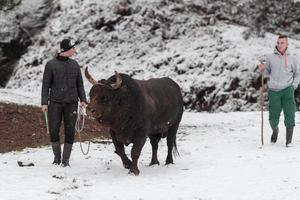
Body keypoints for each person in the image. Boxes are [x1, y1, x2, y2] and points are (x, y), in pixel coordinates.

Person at [41, 39, 87, 166]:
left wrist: (83, 99)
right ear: (66, 50)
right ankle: (57, 158)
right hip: (55, 103)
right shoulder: (50, 65)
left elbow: (80, 84)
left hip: (71, 103)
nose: (74, 50)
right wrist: (44, 102)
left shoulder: (75, 65)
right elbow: (45, 85)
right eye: (73, 48)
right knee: (54, 130)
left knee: (70, 130)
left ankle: (65, 161)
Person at [258, 35, 300, 147]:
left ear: (287, 44)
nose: (280, 45)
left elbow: (297, 74)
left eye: (282, 43)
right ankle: (275, 131)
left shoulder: (293, 59)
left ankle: (289, 141)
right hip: (273, 91)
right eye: (278, 42)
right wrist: (263, 71)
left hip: (287, 89)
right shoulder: (270, 58)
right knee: (273, 118)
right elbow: (266, 74)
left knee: (290, 114)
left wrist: (293, 86)